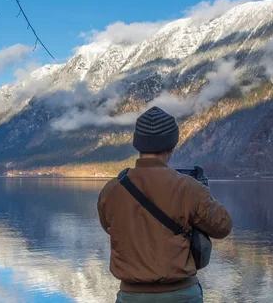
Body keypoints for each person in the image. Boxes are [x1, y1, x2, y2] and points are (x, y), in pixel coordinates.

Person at [97, 107, 233, 303]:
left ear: (138, 144)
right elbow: (222, 227)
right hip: (182, 296)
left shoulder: (111, 191)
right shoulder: (190, 188)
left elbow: (110, 228)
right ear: (172, 146)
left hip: (131, 296)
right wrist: (204, 191)